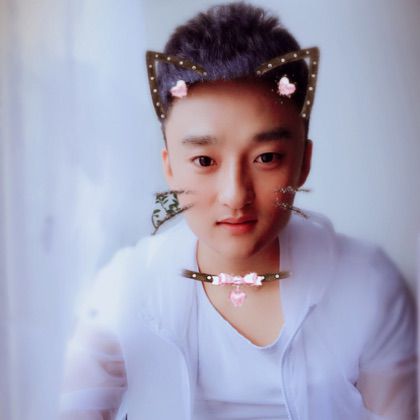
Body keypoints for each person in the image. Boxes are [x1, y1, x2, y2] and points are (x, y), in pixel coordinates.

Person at [59, 2, 417, 419]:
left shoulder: (367, 286)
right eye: (204, 161)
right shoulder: (125, 288)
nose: (235, 195)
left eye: (266, 158)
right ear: (170, 167)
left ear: (303, 163)